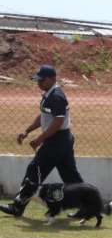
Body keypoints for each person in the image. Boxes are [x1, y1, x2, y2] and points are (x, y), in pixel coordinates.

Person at [1, 65, 83, 217]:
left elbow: (58, 122)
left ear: (52, 79)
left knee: (34, 171)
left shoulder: (56, 96)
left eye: (42, 80)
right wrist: (27, 131)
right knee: (70, 176)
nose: (39, 83)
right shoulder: (48, 94)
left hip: (56, 141)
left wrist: (40, 139)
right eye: (37, 80)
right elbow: (43, 117)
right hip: (62, 141)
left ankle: (18, 206)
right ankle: (86, 206)